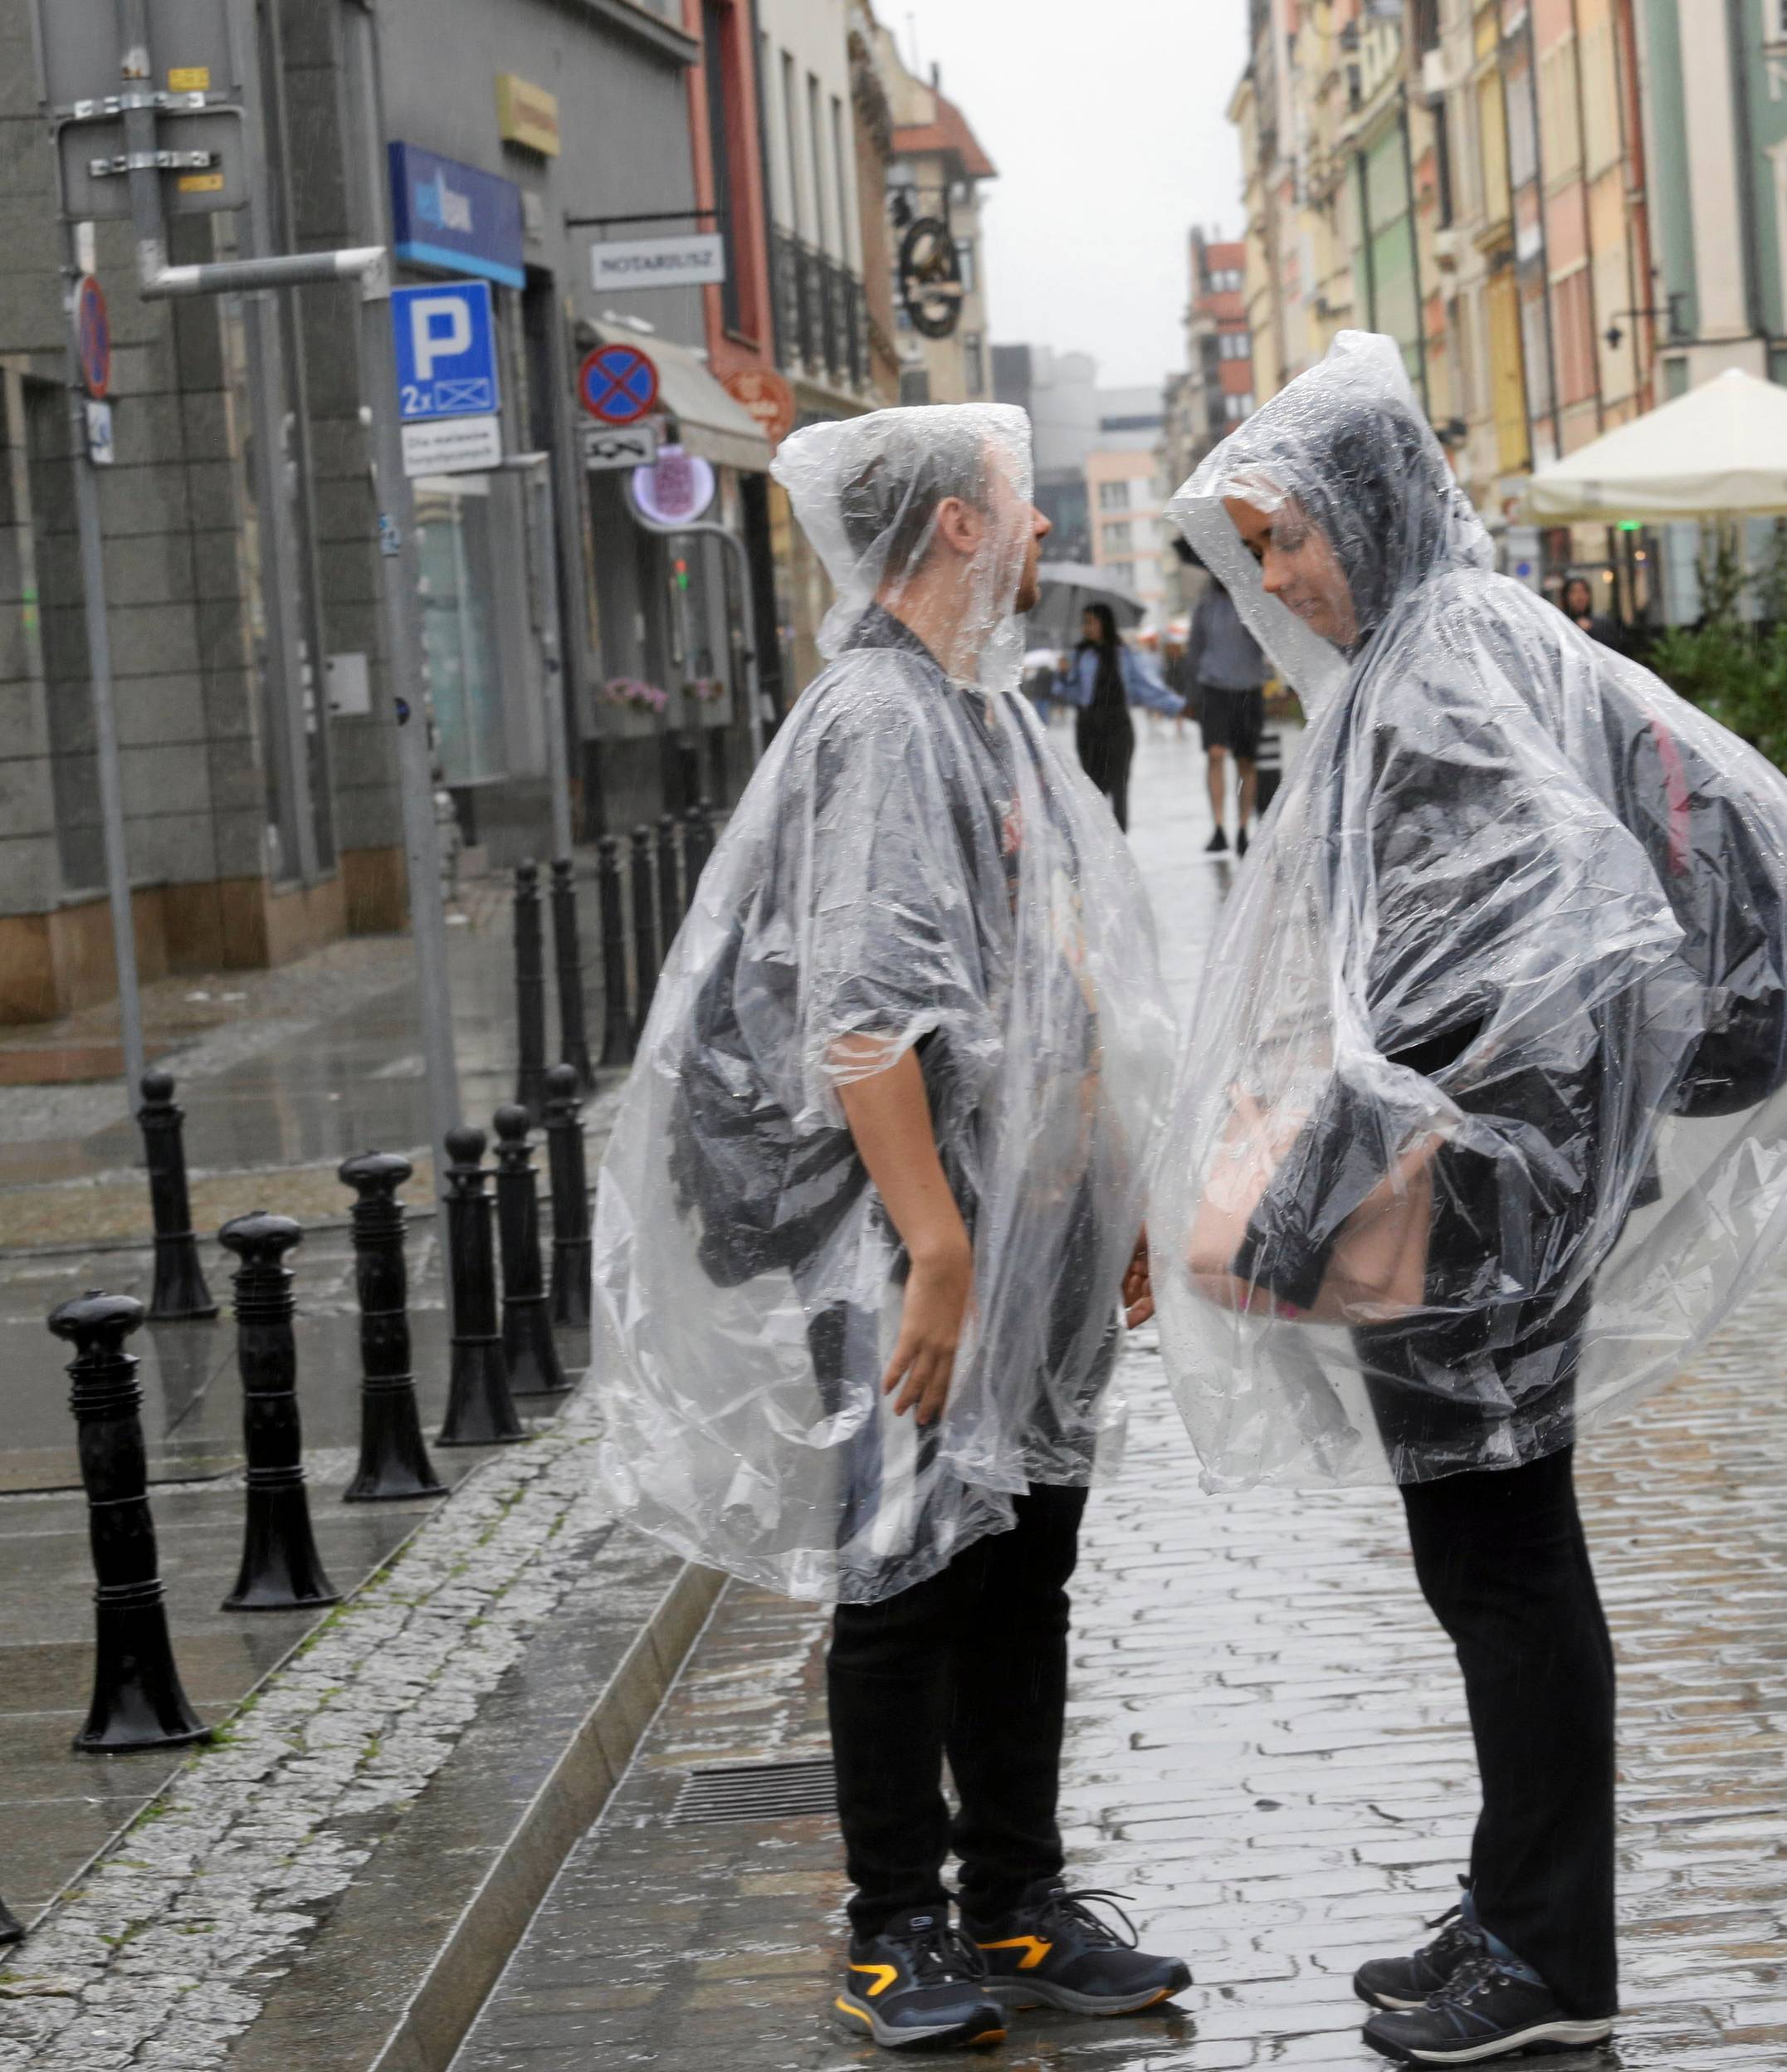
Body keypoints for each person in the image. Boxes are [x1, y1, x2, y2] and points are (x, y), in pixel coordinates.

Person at [1148, 336, 1787, 2065]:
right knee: (1487, 1558)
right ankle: (1515, 1904)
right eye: (1254, 546)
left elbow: (1545, 936)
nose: (1266, 575)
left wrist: (1364, 1123)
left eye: (1283, 537)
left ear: (1362, 508)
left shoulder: (1442, 670)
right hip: (1493, 1172)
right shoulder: (1450, 646)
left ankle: (1552, 1958)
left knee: (1502, 1569)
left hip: (1484, 1191)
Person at [586, 403, 1190, 2052]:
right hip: (912, 1238)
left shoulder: (982, 715)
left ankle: (1015, 1899)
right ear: (947, 530)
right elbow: (864, 1013)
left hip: (1031, 1231)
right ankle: (891, 1928)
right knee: (907, 1565)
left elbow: (1058, 974)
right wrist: (933, 1247)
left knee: (1025, 1562)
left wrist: (1111, 1185)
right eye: (1019, 504)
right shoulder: (877, 723)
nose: (1042, 530)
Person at [1178, 535, 1272, 853]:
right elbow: (1194, 653)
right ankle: (1218, 826)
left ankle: (1244, 827)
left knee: (1246, 761)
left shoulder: (1254, 601)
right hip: (1213, 690)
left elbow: (1271, 642)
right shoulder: (1205, 606)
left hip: (1248, 689)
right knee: (1216, 754)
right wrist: (1190, 697)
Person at [1055, 600, 1176, 830]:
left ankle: (1121, 838)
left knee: (1119, 784)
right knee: (1094, 787)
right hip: (1089, 728)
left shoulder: (1123, 653)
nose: (1086, 627)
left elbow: (1144, 686)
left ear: (1105, 623)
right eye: (1084, 623)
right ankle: (1100, 842)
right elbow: (1069, 694)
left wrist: (1176, 705)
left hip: (1118, 725)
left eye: (1091, 622)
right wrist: (1063, 676)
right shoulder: (1080, 655)